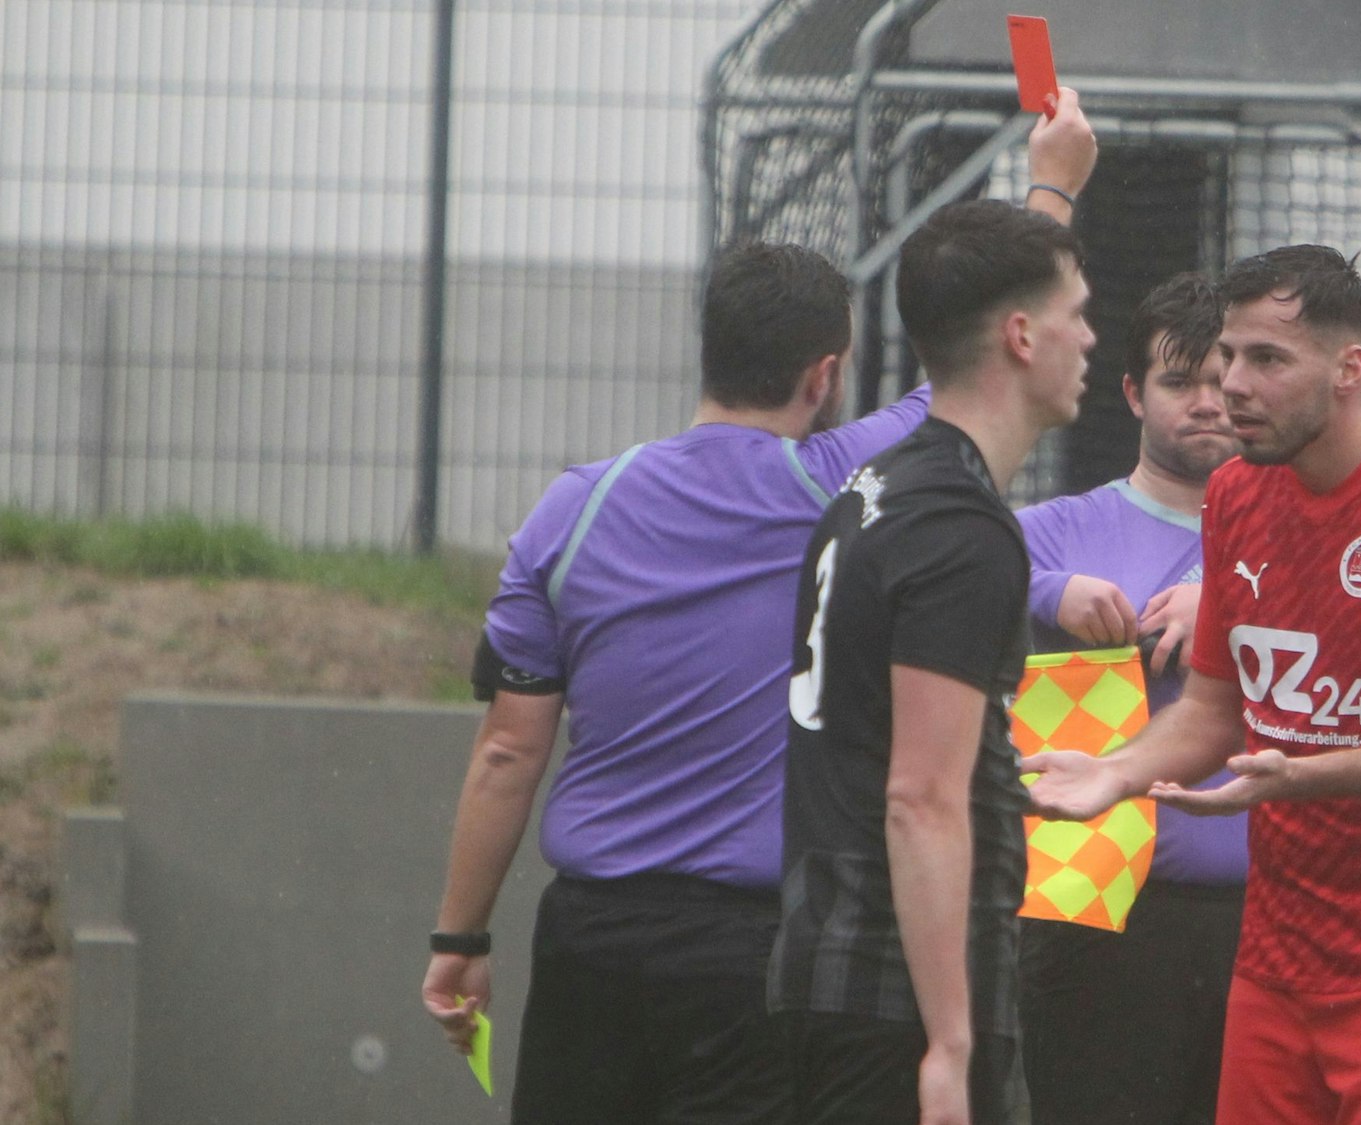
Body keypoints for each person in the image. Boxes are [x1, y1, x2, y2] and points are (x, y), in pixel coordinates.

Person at [419, 94, 1096, 1124]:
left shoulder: (574, 506)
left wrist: (459, 940)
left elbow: (508, 752)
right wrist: (1051, 183)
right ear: (824, 376)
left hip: (588, 936)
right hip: (755, 950)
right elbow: (969, 380)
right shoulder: (844, 487)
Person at [1026, 244, 1361, 1125]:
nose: (1231, 388)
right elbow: (1213, 711)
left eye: (1266, 360)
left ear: (1348, 368)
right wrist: (1119, 773)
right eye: (1225, 358)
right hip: (1277, 955)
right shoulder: (1238, 498)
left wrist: (1301, 772)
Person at [768, 197, 1095, 1125]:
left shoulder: (875, 488)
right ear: (1023, 335)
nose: (1091, 337)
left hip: (834, 965)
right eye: (1079, 313)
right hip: (895, 997)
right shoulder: (956, 524)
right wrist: (950, 1042)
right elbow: (920, 795)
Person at [1012, 272, 1247, 1125]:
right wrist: (1052, 592)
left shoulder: (1293, 540)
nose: (1208, 403)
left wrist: (1226, 605)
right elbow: (946, 561)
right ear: (1132, 394)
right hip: (1098, 910)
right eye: (1179, 381)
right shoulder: (1058, 529)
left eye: (1224, 379)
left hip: (1261, 913)